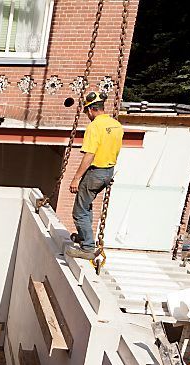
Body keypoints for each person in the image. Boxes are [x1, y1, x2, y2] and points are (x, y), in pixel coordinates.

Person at [65, 91, 124, 260]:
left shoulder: (94, 126)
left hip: (95, 172)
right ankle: (85, 238)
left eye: (86, 113)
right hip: (108, 171)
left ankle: (87, 248)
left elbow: (90, 154)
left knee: (79, 211)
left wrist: (76, 178)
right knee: (87, 205)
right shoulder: (116, 125)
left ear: (90, 110)